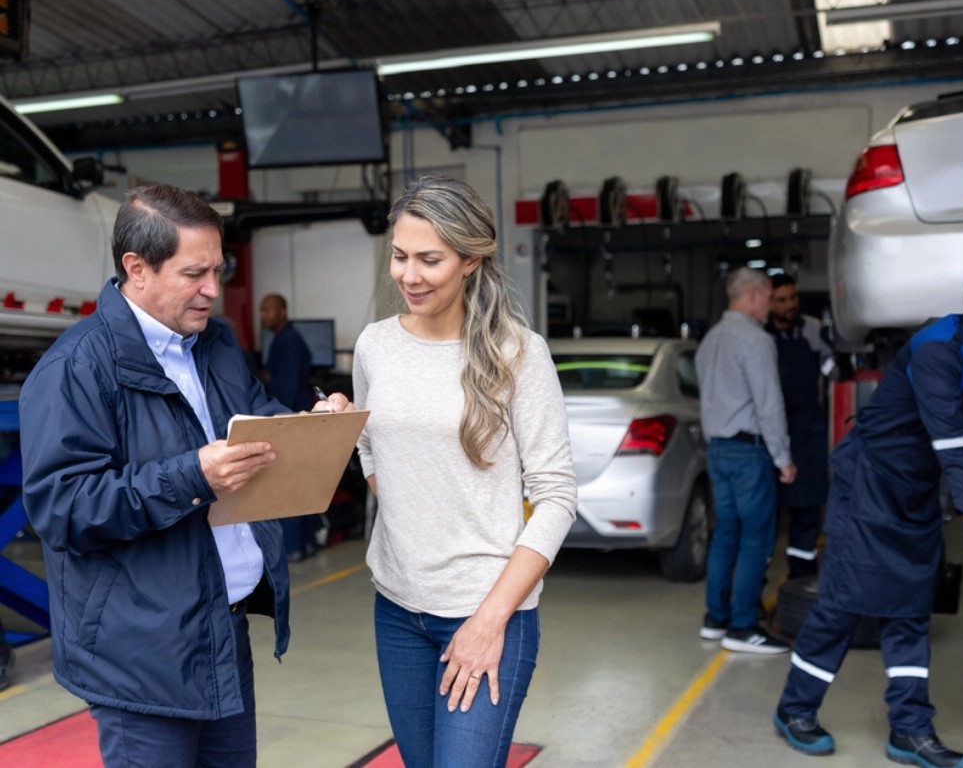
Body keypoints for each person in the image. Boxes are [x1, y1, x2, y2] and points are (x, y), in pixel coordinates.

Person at [19, 184, 297, 768]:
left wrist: (310, 426)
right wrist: (192, 474)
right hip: (140, 660)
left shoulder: (214, 344)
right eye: (194, 273)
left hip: (223, 633)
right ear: (136, 268)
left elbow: (255, 418)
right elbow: (62, 506)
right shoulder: (76, 369)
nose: (212, 291)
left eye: (217, 271)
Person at [773, 262, 963, 767]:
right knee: (841, 603)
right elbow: (952, 442)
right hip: (869, 483)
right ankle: (795, 709)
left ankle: (910, 730)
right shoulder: (936, 350)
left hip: (918, 490)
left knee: (910, 609)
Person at [352, 175, 576, 768]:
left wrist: (488, 620)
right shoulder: (375, 345)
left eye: (430, 260)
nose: (409, 275)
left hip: (487, 609)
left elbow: (555, 498)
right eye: (399, 257)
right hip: (397, 608)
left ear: (472, 260)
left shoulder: (520, 353)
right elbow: (372, 453)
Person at [695, 267, 797, 654]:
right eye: (769, 298)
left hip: (718, 449)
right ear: (753, 295)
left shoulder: (710, 340)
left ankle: (715, 619)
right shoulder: (755, 340)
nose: (770, 306)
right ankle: (742, 627)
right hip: (748, 452)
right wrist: (783, 458)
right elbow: (769, 405)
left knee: (725, 535)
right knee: (756, 538)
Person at [764, 273, 842, 580]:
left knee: (807, 511)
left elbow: (834, 371)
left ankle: (802, 579)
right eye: (782, 300)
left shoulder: (811, 330)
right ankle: (756, 582)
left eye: (793, 298)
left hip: (809, 430)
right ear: (769, 302)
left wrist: (839, 359)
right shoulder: (760, 336)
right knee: (766, 513)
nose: (790, 305)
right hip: (772, 429)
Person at [258, 292, 320, 562]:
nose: (263, 316)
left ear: (282, 312)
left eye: (268, 310)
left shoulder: (288, 343)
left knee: (289, 485)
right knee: (300, 484)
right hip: (295, 417)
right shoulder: (283, 339)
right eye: (261, 310)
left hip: (292, 420)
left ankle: (294, 546)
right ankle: (304, 542)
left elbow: (287, 388)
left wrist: (278, 422)